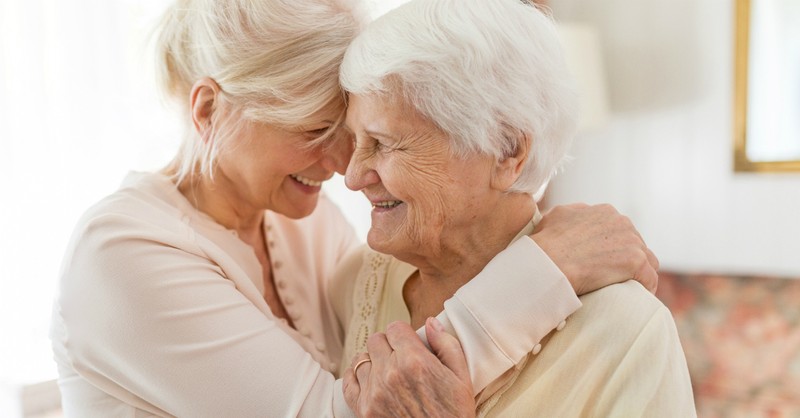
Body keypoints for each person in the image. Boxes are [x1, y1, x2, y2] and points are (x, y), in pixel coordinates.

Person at [50, 0, 660, 416]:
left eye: (361, 132)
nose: (344, 165)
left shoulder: (303, 223)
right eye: (315, 128)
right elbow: (348, 408)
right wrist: (543, 269)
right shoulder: (122, 254)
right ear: (209, 111)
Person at [332, 0, 696, 416]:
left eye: (384, 143)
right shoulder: (356, 282)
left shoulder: (628, 330)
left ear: (507, 151)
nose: (353, 176)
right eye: (355, 141)